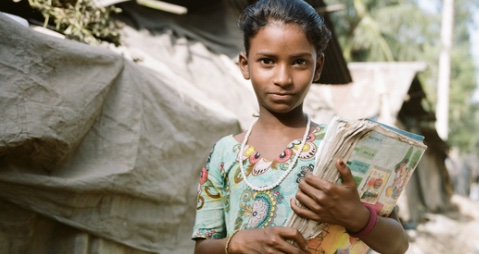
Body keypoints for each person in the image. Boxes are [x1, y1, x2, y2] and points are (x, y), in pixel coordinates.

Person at [192, 0, 409, 253]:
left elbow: (398, 245)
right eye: (267, 61)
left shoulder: (344, 147)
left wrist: (358, 217)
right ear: (245, 65)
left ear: (319, 67)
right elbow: (202, 249)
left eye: (299, 62)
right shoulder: (224, 154)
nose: (282, 78)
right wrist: (236, 243)